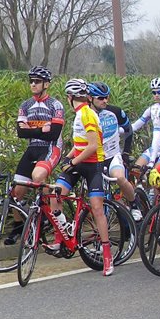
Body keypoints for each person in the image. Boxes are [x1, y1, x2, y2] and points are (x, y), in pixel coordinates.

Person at [52, 78, 114, 276]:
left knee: (97, 209)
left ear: (70, 98)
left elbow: (93, 147)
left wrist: (73, 162)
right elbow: (79, 145)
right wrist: (67, 158)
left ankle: (107, 255)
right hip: (80, 162)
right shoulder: (79, 114)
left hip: (94, 165)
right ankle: (61, 237)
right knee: (56, 194)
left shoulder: (87, 114)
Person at [12, 66, 64, 204]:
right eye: (31, 81)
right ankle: (19, 225)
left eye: (37, 81)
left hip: (51, 148)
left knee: (38, 176)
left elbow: (53, 134)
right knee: (16, 193)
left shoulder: (55, 105)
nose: (33, 84)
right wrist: (41, 130)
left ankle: (48, 214)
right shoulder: (25, 105)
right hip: (32, 148)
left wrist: (31, 129)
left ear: (46, 84)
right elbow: (21, 133)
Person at [88, 82, 139, 221]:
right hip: (95, 158)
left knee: (120, 178)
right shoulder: (84, 115)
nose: (105, 101)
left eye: (107, 97)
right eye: (100, 98)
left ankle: (134, 205)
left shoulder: (115, 111)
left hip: (113, 155)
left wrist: (126, 153)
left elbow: (129, 130)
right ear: (90, 98)